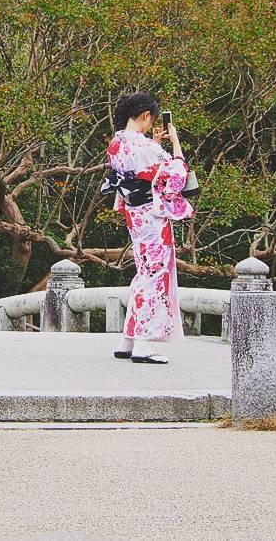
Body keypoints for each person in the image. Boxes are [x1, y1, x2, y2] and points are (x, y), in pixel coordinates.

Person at [102, 92, 193, 364]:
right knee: (154, 273)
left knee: (144, 271)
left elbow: (137, 168)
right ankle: (142, 342)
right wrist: (175, 143)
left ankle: (127, 340)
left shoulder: (117, 144)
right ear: (145, 116)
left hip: (134, 213)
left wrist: (153, 143)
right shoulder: (146, 148)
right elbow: (176, 177)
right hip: (152, 217)